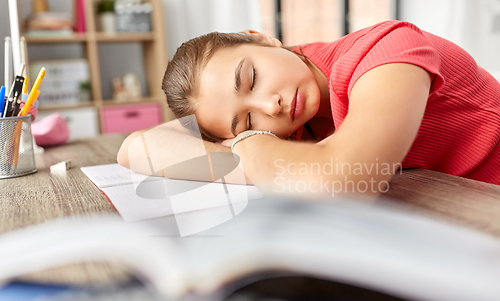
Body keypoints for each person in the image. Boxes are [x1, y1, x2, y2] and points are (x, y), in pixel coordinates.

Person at [117, 20, 500, 201]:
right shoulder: (292, 129)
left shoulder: (385, 50)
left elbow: (340, 181)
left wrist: (249, 142)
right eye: (247, 119)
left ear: (262, 39)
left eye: (251, 78)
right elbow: (135, 148)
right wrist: (268, 156)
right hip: (460, 211)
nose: (271, 105)